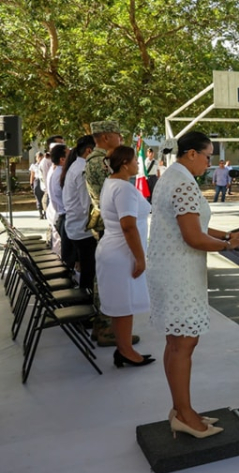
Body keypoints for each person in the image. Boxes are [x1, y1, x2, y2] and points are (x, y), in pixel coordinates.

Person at [147, 131, 239, 439]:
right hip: (179, 272)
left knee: (176, 343)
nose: (210, 163)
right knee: (184, 344)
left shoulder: (172, 175)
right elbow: (193, 237)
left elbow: (198, 226)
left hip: (171, 269)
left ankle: (182, 409)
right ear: (191, 153)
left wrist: (228, 235)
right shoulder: (182, 182)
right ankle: (184, 413)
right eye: (208, 156)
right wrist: (228, 245)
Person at [96, 146, 154, 369]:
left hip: (114, 249)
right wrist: (140, 258)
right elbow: (128, 227)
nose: (138, 164)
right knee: (123, 305)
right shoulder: (123, 189)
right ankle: (125, 350)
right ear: (124, 164)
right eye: (134, 160)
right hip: (121, 252)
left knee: (123, 304)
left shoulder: (112, 183)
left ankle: (124, 348)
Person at [84, 120, 124, 346]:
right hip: (108, 222)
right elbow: (113, 194)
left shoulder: (94, 159)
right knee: (107, 277)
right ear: (107, 137)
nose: (120, 139)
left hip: (102, 221)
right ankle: (106, 327)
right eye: (117, 135)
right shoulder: (101, 162)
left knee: (103, 274)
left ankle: (102, 325)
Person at [60, 135, 97, 290]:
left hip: (75, 225)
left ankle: (85, 301)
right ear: (89, 151)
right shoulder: (82, 169)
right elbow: (86, 204)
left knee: (87, 267)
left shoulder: (76, 166)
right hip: (82, 228)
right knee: (89, 270)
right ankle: (85, 305)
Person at [29, 153, 46, 219]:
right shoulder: (33, 166)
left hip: (43, 180)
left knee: (45, 197)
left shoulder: (45, 165)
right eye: (38, 157)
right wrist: (31, 183)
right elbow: (32, 175)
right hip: (37, 181)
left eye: (41, 157)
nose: (40, 159)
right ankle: (40, 213)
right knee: (38, 198)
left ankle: (46, 213)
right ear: (36, 158)